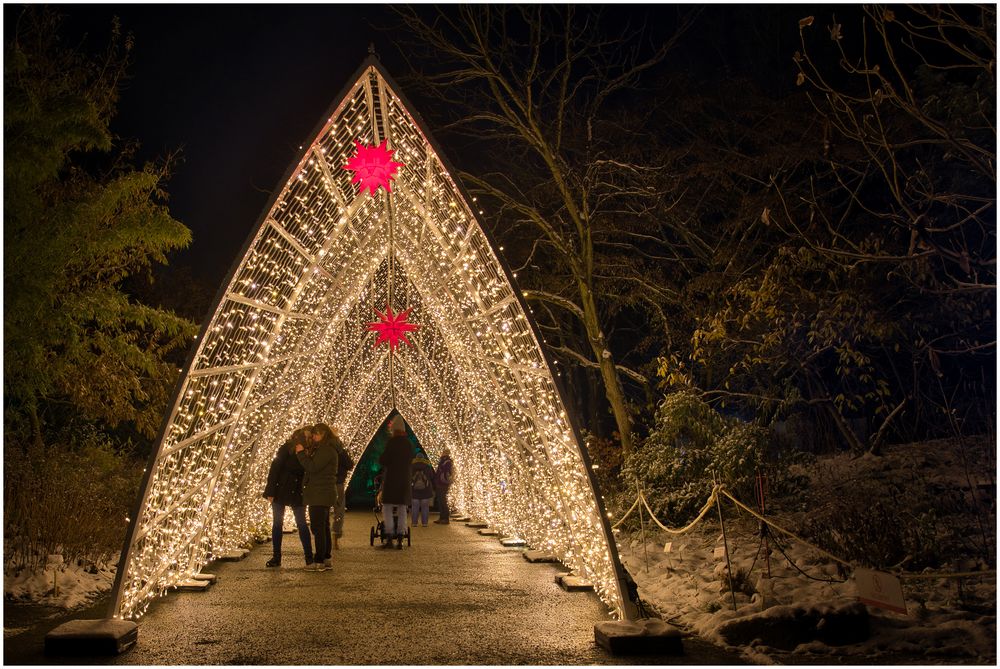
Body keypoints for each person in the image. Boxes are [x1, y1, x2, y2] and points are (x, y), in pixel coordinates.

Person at [262, 427, 314, 568]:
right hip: (282, 489)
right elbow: (275, 468)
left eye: (310, 437)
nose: (308, 439)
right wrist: (271, 491)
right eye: (306, 436)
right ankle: (276, 557)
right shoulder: (287, 448)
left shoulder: (310, 451)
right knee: (277, 523)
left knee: (302, 523)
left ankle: (309, 558)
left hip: (298, 491)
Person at [296, 423, 338, 571]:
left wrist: (301, 454)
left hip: (320, 494)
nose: (313, 437)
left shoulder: (326, 450)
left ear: (323, 434)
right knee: (324, 527)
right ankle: (326, 558)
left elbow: (312, 467)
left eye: (315, 434)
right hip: (322, 493)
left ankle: (319, 560)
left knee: (318, 528)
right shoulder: (327, 449)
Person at [378, 416, 413, 549]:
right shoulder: (408, 444)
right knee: (402, 508)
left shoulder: (392, 443)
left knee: (387, 507)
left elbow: (383, 460)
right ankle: (400, 537)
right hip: (404, 481)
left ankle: (389, 536)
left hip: (392, 480)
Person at [330, 427, 354, 550]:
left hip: (324, 483)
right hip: (337, 483)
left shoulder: (321, 447)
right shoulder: (339, 448)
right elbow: (350, 464)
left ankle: (327, 536)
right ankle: (335, 534)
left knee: (323, 509)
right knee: (339, 511)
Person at [410, 454, 435, 527]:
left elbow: (408, 477)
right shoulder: (427, 465)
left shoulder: (412, 465)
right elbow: (431, 476)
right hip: (426, 491)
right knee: (425, 507)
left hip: (414, 490)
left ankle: (414, 523)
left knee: (415, 507)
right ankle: (424, 523)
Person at [433, 447, 455, 524]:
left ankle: (445, 518)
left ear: (446, 453)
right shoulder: (443, 461)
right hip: (440, 482)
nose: (442, 453)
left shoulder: (447, 461)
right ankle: (442, 517)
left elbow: (446, 472)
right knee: (440, 500)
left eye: (444, 452)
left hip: (443, 483)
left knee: (443, 501)